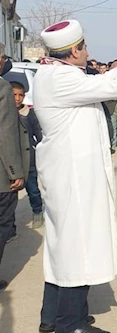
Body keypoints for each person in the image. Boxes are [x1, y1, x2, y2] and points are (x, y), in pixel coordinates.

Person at [34, 19, 117, 333]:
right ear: (73, 51)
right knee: (78, 245)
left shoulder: (54, 74)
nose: (88, 52)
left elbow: (104, 83)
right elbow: (112, 85)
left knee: (62, 244)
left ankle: (54, 315)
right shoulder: (61, 78)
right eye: (84, 47)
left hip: (68, 173)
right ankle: (70, 324)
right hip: (73, 178)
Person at [0, 43, 28, 291]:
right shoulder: (2, 87)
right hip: (2, 176)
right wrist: (15, 171)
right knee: (3, 224)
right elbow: (6, 133)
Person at [11, 81, 44, 230]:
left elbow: (38, 132)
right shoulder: (4, 112)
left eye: (21, 95)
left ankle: (37, 212)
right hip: (11, 161)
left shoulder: (28, 113)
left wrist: (41, 148)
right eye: (14, 95)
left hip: (29, 158)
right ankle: (9, 225)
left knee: (33, 190)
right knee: (9, 195)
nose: (17, 98)